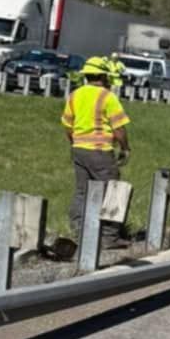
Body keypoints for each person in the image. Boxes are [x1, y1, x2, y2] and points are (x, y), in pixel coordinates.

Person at [62, 55, 130, 240]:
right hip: (100, 150)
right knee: (114, 190)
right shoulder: (107, 97)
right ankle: (109, 236)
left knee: (81, 191)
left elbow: (68, 126)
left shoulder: (74, 96)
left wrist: (76, 143)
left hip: (78, 150)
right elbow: (119, 128)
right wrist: (125, 148)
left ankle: (78, 230)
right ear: (103, 76)